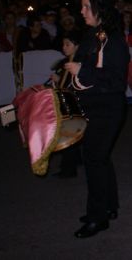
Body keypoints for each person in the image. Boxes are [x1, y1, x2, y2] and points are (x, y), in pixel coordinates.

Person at [65, 0, 130, 238]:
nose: (81, 11)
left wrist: (81, 69)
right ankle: (109, 206)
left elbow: (115, 80)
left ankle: (97, 217)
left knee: (93, 159)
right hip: (94, 105)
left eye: (86, 7)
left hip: (107, 108)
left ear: (99, 9)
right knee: (101, 158)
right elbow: (85, 64)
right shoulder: (94, 34)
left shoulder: (113, 39)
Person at [49, 30, 83, 178]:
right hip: (74, 102)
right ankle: (76, 161)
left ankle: (68, 169)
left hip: (77, 104)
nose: (64, 47)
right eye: (63, 44)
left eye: (67, 44)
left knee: (68, 133)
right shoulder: (69, 60)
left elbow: (77, 84)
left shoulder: (79, 62)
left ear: (77, 46)